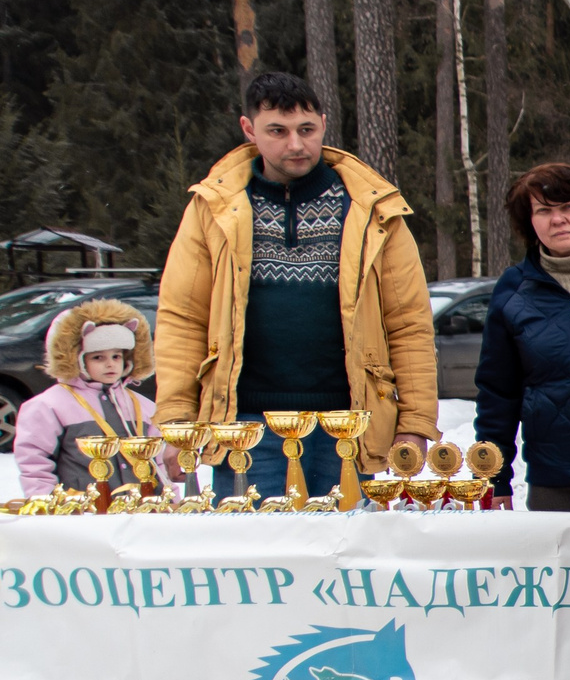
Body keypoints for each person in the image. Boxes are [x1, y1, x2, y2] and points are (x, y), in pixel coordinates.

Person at [154, 69, 436, 495]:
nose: (296, 144)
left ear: (324, 122)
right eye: (278, 131)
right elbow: (182, 318)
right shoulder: (211, 208)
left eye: (307, 129)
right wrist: (177, 420)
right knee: (254, 560)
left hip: (348, 424)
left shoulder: (374, 209)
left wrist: (414, 423)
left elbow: (408, 322)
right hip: (244, 427)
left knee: (346, 559)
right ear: (249, 130)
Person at [476, 164, 570, 511]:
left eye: (569, 206)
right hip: (554, 483)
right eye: (544, 210)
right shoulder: (513, 291)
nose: (558, 220)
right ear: (529, 222)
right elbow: (498, 394)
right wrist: (494, 479)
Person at [12, 301, 157, 498]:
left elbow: (158, 464)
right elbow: (35, 462)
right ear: (77, 359)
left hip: (140, 513)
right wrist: (44, 504)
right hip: (81, 516)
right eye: (98, 357)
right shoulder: (49, 405)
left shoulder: (142, 405)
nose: (110, 364)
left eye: (116, 356)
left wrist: (169, 500)